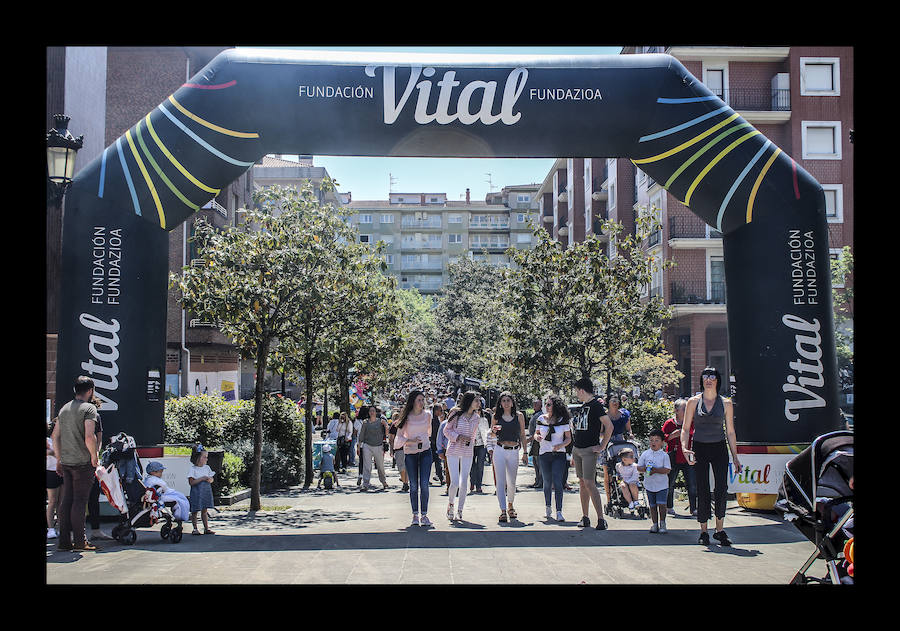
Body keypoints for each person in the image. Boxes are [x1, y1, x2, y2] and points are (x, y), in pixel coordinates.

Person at [682, 366, 741, 547]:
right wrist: (685, 448)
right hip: (699, 447)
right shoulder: (693, 402)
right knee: (702, 488)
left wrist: (735, 456)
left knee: (721, 487)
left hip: (719, 447)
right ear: (702, 380)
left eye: (712, 377)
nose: (708, 379)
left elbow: (730, 432)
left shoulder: (726, 403)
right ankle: (704, 531)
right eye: (705, 376)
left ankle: (720, 530)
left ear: (717, 380)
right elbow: (685, 429)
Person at [51, 376, 101, 552]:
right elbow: (90, 436)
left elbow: (54, 436)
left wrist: (58, 459)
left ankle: (64, 542)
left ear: (75, 390)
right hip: (82, 463)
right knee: (80, 502)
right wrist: (94, 456)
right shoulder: (89, 409)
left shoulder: (64, 409)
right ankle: (80, 541)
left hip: (66, 462)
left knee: (66, 501)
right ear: (90, 391)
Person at [571, 377, 613, 530]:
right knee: (582, 483)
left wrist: (602, 445)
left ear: (582, 390)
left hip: (590, 449)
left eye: (577, 391)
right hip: (578, 449)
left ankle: (601, 519)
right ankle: (585, 516)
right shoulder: (583, 406)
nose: (577, 394)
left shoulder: (596, 405)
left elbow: (609, 426)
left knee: (589, 483)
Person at [395, 390, 434, 527]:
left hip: (425, 452)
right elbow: (398, 440)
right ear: (412, 401)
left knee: (424, 484)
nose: (421, 402)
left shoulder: (428, 415)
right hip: (410, 453)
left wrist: (422, 440)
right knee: (413, 485)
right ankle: (415, 515)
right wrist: (410, 440)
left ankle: (424, 515)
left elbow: (428, 432)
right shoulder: (406, 418)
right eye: (419, 400)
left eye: (423, 400)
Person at [490, 391, 528, 523]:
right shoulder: (496, 416)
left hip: (514, 451)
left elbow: (523, 434)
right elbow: (492, 435)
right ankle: (503, 510)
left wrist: (525, 452)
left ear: (512, 402)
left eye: (508, 400)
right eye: (503, 401)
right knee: (501, 482)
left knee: (512, 482)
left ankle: (510, 504)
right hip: (500, 450)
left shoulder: (519, 416)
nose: (506, 403)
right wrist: (493, 431)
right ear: (500, 403)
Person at [443, 391, 481, 521]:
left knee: (464, 482)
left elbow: (474, 434)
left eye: (479, 400)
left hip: (467, 451)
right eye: (476, 400)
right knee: (454, 482)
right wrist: (458, 437)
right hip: (453, 449)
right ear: (469, 401)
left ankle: (460, 509)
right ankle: (451, 504)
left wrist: (472, 441)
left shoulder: (477, 417)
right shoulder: (456, 413)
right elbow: (446, 430)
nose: (478, 403)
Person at [535, 394, 572, 522]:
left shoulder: (563, 420)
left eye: (549, 404)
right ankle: (548, 507)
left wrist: (561, 445)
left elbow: (568, 438)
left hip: (559, 454)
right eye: (546, 404)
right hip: (544, 453)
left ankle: (559, 511)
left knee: (558, 482)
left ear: (555, 406)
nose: (547, 406)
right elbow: (537, 433)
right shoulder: (541, 419)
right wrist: (537, 437)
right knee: (546, 482)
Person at [662, 398, 697, 516]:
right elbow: (662, 438)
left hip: (687, 456)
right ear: (677, 410)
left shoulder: (691, 421)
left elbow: (694, 434)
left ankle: (694, 508)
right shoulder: (669, 423)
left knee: (692, 483)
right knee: (670, 482)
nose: (687, 410)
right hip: (673, 455)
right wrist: (673, 435)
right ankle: (669, 506)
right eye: (684, 408)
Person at [85, 395, 113, 543]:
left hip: (77, 458)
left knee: (79, 498)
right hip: (91, 460)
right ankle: (95, 530)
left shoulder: (75, 412)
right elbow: (98, 437)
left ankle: (73, 533)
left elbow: (97, 437)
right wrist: (95, 454)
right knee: (92, 497)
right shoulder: (95, 415)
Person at [600, 394, 634, 504]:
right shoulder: (604, 416)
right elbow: (600, 432)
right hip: (607, 443)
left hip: (620, 443)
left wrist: (630, 435)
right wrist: (604, 436)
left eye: (617, 400)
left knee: (622, 470)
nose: (615, 403)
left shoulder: (624, 415)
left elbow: (629, 430)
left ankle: (624, 496)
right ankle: (609, 499)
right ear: (608, 402)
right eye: (613, 400)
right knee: (607, 473)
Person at [638, 429, 672, 533]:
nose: (653, 442)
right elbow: (639, 467)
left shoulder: (664, 455)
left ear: (662, 442)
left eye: (657, 440)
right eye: (651, 440)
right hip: (649, 484)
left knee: (662, 504)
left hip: (662, 485)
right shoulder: (645, 454)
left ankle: (662, 523)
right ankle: (654, 524)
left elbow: (667, 469)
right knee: (652, 505)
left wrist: (656, 470)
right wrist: (645, 469)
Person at [358, 406, 389, 491]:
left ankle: (383, 481)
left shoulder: (380, 421)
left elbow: (387, 433)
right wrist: (359, 445)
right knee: (367, 466)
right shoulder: (365, 422)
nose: (372, 412)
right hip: (367, 445)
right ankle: (365, 484)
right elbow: (361, 435)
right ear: (368, 413)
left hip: (378, 446)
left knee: (380, 466)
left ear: (376, 412)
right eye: (370, 411)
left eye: (373, 411)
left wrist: (386, 425)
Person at [188, 445, 216, 535]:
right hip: (197, 492)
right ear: (198, 458)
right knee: (195, 510)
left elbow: (212, 479)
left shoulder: (207, 468)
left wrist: (210, 480)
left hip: (205, 491)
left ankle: (206, 528)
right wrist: (202, 478)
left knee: (205, 510)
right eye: (204, 457)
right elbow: (191, 482)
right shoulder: (193, 469)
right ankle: (195, 528)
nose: (206, 459)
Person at [46, 419, 63, 540]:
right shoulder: (48, 440)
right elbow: (50, 452)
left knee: (61, 503)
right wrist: (54, 452)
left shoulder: (65, 440)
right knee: (52, 501)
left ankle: (62, 527)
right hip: (51, 472)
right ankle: (50, 528)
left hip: (63, 473)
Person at [470, 406, 489, 494]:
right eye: (475, 411)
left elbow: (487, 432)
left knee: (480, 465)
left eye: (479, 410)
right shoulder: (469, 419)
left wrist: (488, 445)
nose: (477, 412)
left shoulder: (484, 420)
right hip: (471, 445)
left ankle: (479, 485)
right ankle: (472, 482)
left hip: (482, 445)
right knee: (472, 465)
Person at [527, 398, 544, 489]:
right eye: (533, 404)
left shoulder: (539, 416)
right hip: (533, 442)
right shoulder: (535, 414)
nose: (534, 406)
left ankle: (540, 482)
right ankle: (537, 480)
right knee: (535, 463)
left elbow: (537, 431)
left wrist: (526, 441)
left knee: (539, 463)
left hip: (537, 443)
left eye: (536, 404)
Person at [430, 403, 446, 486]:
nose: (442, 412)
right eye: (441, 410)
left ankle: (441, 478)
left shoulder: (437, 419)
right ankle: (441, 478)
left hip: (436, 445)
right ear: (436, 411)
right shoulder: (433, 420)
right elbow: (433, 434)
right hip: (433, 445)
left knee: (437, 462)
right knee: (433, 461)